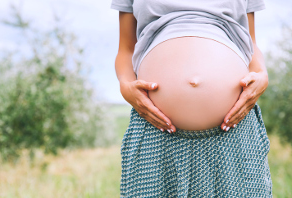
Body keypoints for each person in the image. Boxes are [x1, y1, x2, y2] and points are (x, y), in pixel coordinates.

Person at [111, 0, 272, 197]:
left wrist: (262, 74)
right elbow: (126, 49)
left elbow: (250, 43)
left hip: (233, 131)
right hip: (156, 130)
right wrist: (125, 86)